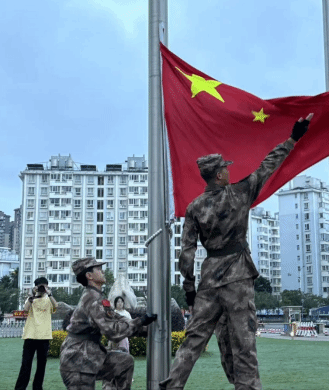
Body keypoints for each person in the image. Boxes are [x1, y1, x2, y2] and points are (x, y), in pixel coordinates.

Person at [160, 114, 313, 390]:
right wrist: (293, 138)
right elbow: (268, 166)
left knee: (193, 341)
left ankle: (171, 386)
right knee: (244, 343)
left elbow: (187, 253)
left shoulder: (194, 207)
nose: (229, 172)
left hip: (209, 281)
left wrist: (190, 289)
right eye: (225, 169)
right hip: (238, 278)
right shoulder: (239, 194)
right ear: (219, 175)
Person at [60, 258, 158, 390]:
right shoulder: (92, 299)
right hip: (77, 361)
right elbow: (112, 331)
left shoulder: (96, 296)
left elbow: (116, 318)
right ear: (89, 276)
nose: (103, 271)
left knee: (124, 362)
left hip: (89, 356)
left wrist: (143, 328)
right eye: (98, 269)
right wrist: (141, 321)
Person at [15, 277, 58, 390]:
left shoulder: (49, 300)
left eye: (44, 286)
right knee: (26, 364)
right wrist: (32, 296)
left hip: (44, 336)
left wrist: (49, 294)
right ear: (35, 287)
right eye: (40, 286)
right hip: (30, 335)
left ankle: (37, 387)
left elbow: (56, 306)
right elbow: (25, 310)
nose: (42, 288)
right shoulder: (31, 299)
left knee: (41, 365)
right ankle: (20, 387)